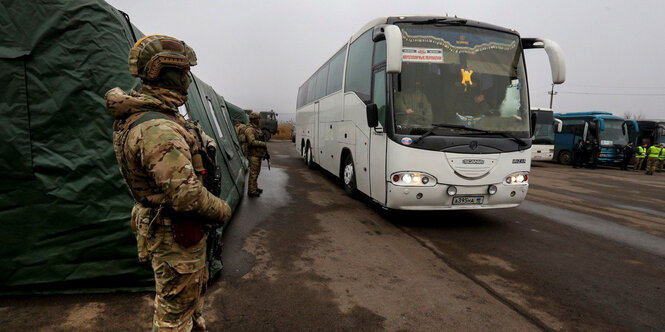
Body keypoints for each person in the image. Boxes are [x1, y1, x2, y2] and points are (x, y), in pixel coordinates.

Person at [107, 35, 232, 331]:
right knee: (173, 318)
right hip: (176, 234)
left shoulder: (155, 116)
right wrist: (222, 211)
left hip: (174, 230)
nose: (188, 80)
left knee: (187, 304)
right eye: (185, 73)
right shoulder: (159, 128)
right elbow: (187, 196)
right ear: (169, 73)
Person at [245, 112, 268, 197]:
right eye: (257, 118)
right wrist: (263, 144)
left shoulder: (256, 128)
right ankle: (251, 191)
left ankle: (254, 187)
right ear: (253, 119)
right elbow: (251, 142)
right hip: (253, 154)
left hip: (257, 154)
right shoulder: (250, 129)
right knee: (253, 173)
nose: (259, 120)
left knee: (256, 172)